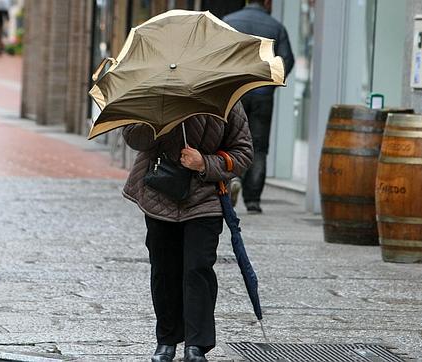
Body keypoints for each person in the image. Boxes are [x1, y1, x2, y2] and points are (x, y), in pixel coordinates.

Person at [122, 104, 253, 362]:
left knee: (198, 268)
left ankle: (196, 344)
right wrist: (157, 123)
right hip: (160, 193)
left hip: (205, 199)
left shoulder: (226, 100)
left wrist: (204, 162)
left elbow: (243, 154)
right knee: (164, 270)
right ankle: (167, 341)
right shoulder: (154, 95)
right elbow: (132, 138)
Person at [223, 0, 294, 213]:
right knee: (259, 145)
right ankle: (253, 199)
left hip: (235, 93)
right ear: (266, 2)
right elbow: (287, 60)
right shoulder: (276, 27)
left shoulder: (229, 22)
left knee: (230, 139)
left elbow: (218, 56)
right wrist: (270, 84)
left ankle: (232, 178)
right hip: (263, 94)